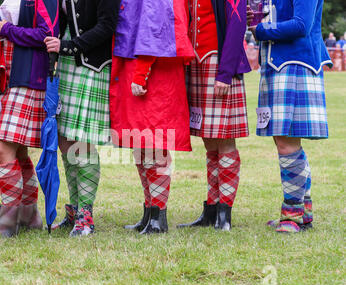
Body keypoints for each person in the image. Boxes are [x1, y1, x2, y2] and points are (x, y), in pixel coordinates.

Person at [110, 0, 195, 234]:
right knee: (142, 143)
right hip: (142, 65)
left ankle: (159, 216)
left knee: (155, 144)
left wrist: (141, 72)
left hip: (154, 72)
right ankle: (149, 212)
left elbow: (155, 27)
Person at [248, 0, 332, 233]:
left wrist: (262, 29)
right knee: (284, 141)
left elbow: (301, 25)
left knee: (287, 141)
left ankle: (292, 214)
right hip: (278, 65)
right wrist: (256, 20)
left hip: (295, 64)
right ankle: (303, 212)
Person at [44, 0, 120, 237]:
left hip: (91, 64)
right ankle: (75, 211)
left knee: (82, 141)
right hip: (66, 63)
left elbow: (108, 26)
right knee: (65, 140)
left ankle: (86, 215)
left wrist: (69, 45)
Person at [0, 0, 59, 237]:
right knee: (19, 152)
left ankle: (8, 222)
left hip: (30, 77)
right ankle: (29, 215)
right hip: (11, 76)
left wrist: (5, 29)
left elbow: (48, 34)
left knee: (3, 149)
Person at [178, 0, 251, 231]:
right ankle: (211, 208)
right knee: (209, 140)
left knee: (225, 138)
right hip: (196, 65)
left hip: (219, 64)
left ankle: (224, 214)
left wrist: (226, 72)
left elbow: (237, 24)